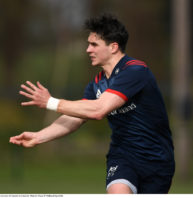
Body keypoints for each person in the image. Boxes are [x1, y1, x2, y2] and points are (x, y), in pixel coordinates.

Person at [9, 13, 175, 194]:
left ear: (113, 47)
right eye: (88, 44)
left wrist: (50, 102)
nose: (88, 49)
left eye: (94, 44)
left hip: (157, 160)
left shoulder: (135, 71)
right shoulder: (96, 83)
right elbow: (75, 118)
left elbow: (99, 110)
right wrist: (39, 136)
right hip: (123, 156)